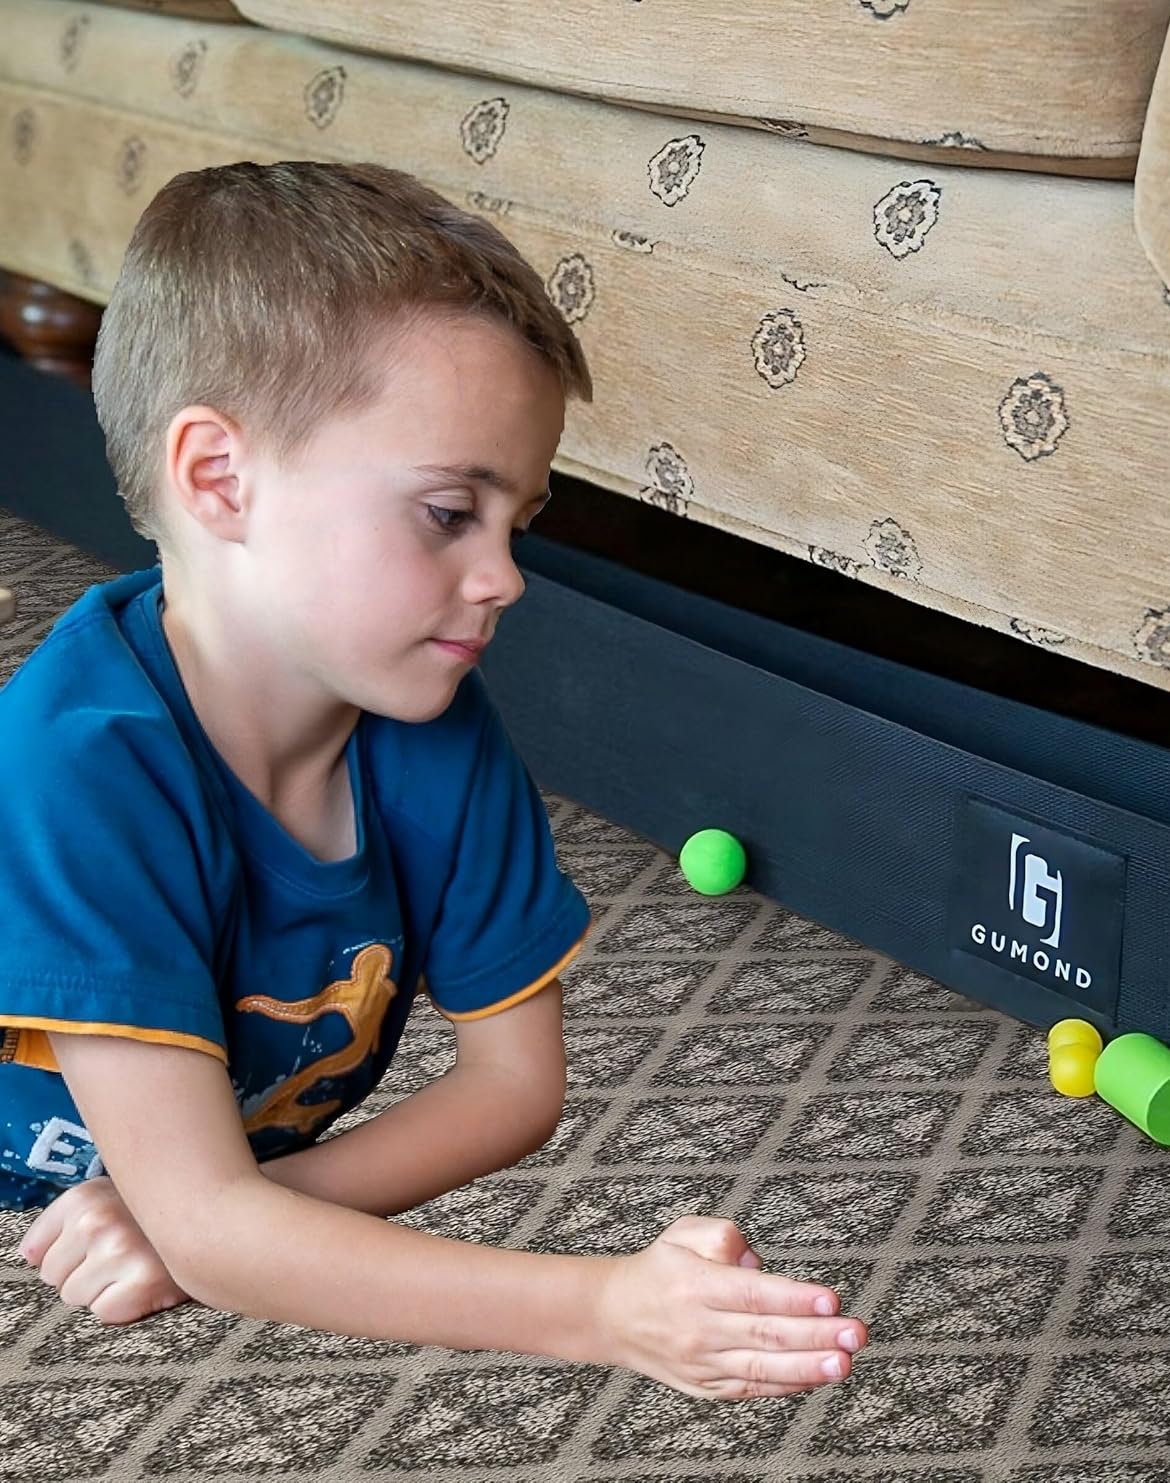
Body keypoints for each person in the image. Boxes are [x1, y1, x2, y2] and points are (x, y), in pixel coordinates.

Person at [0, 160, 866, 1400]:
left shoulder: (436, 732)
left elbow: (514, 1088)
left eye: (518, 523)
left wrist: (225, 1213)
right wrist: (605, 1309)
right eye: (450, 512)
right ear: (220, 479)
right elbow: (212, 1230)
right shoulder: (82, 766)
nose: (505, 577)